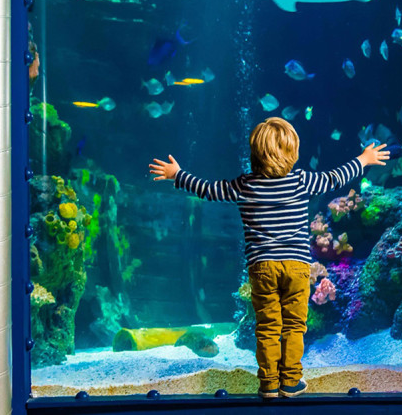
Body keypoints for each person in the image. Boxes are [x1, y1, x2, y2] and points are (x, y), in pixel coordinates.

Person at [148, 117, 389, 398]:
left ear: (255, 154)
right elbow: (336, 177)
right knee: (295, 325)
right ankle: (290, 381)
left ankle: (268, 384)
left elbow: (209, 190)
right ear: (293, 153)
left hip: (261, 267)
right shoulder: (303, 180)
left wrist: (178, 174)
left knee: (267, 326)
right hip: (297, 267)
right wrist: (363, 158)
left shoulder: (244, 184)